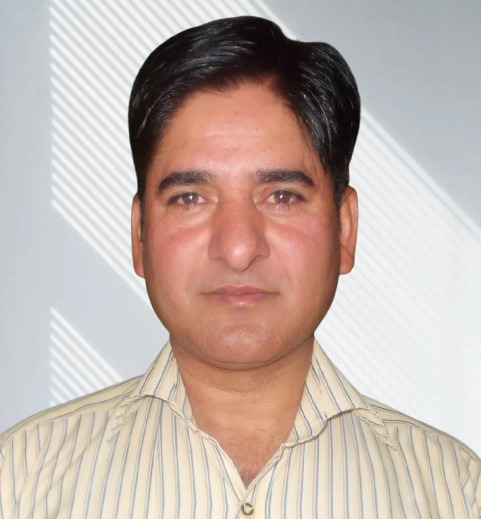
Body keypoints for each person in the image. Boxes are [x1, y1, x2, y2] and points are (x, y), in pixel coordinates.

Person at [0, 15, 480, 518]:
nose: (237, 248)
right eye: (190, 197)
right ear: (139, 233)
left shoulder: (456, 493)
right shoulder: (21, 482)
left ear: (344, 228)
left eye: (281, 196)